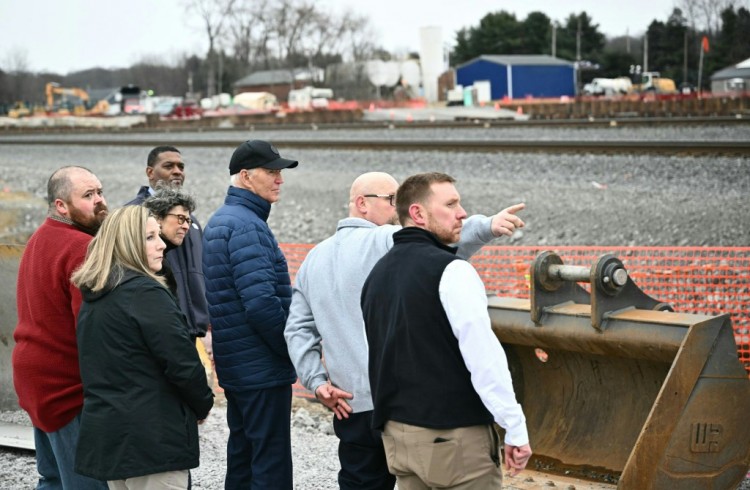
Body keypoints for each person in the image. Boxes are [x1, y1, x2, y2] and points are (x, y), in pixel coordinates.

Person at [284, 171, 526, 490]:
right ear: (362, 204)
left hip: (349, 405)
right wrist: (487, 225)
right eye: (391, 200)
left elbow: (298, 328)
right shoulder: (386, 240)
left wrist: (316, 382)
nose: (399, 208)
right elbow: (431, 240)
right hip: (400, 408)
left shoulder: (313, 259)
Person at [361, 172, 532, 489]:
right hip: (455, 440)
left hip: (398, 437)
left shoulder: (378, 275)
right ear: (418, 214)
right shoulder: (453, 271)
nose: (462, 212)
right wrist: (515, 427)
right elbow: (484, 358)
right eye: (451, 204)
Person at [71, 205, 214, 488]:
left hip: (113, 439)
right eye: (150, 237)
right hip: (153, 439)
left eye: (158, 235)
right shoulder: (145, 293)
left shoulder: (97, 296)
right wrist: (203, 404)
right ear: (128, 243)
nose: (162, 244)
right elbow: (182, 364)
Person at [202, 139, 299, 489]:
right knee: (269, 462)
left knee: (243, 456)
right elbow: (261, 305)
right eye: (271, 172)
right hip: (261, 369)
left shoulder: (222, 221)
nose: (279, 179)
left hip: (239, 365)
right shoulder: (247, 226)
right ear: (245, 176)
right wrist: (291, 349)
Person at [12, 166, 109, 489]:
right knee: (85, 482)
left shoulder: (39, 238)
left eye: (99, 192)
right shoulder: (81, 247)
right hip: (65, 384)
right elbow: (92, 329)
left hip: (35, 377)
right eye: (87, 195)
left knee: (52, 477)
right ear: (61, 206)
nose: (99, 201)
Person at [126, 146, 211, 352]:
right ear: (150, 172)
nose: (177, 171)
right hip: (156, 329)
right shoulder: (132, 215)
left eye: (181, 166)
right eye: (169, 166)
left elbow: (201, 272)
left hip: (192, 329)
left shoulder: (193, 221)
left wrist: (207, 324)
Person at [143, 185, 198, 320]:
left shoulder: (161, 259)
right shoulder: (149, 263)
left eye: (188, 221)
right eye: (180, 218)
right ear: (158, 217)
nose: (186, 226)